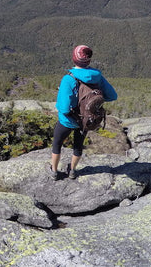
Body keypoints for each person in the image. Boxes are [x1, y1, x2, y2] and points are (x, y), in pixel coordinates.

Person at [49, 45, 117, 180]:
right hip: (86, 120)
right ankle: (73, 171)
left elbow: (64, 108)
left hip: (67, 121)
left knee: (57, 143)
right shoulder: (97, 76)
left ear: (74, 59)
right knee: (78, 145)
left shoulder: (68, 79)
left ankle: (54, 172)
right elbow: (112, 96)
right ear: (89, 61)